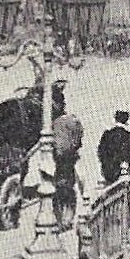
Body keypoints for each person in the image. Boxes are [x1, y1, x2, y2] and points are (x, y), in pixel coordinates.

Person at [51, 83, 84, 228]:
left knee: (58, 191)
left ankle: (60, 221)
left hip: (58, 162)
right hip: (70, 160)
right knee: (70, 189)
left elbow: (55, 145)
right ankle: (68, 220)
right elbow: (78, 141)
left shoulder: (55, 123)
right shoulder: (74, 121)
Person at [97, 110, 130, 184]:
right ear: (126, 122)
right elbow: (127, 155)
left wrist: (105, 164)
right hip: (121, 171)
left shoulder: (106, 134)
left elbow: (100, 152)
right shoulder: (127, 135)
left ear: (115, 120)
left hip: (107, 171)